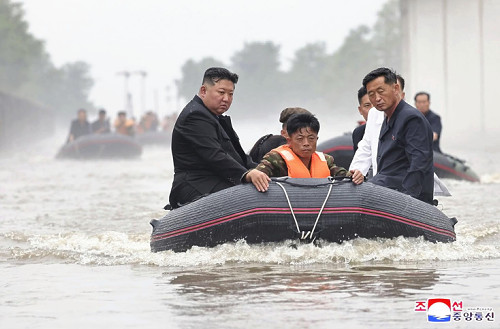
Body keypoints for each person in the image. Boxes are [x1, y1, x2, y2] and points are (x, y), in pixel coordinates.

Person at [168, 67, 259, 208]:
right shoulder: (195, 116)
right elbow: (215, 155)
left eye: (231, 94)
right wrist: (246, 175)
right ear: (203, 91)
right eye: (221, 92)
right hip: (195, 185)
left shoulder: (215, 117)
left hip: (215, 180)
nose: (226, 99)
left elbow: (238, 155)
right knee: (250, 198)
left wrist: (262, 170)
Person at [362, 67, 434, 203]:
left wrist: (408, 199)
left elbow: (419, 163)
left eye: (381, 91)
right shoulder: (388, 118)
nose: (377, 98)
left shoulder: (411, 119)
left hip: (403, 197)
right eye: (371, 94)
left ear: (395, 89)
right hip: (384, 188)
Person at [245, 113, 364, 192]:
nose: (306, 143)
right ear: (289, 140)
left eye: (311, 138)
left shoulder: (326, 160)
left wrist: (355, 175)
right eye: (300, 139)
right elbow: (259, 173)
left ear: (317, 139)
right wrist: (251, 174)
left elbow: (343, 175)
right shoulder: (275, 158)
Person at [349, 75, 406, 177]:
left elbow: (418, 161)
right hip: (380, 182)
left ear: (402, 94)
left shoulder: (411, 117)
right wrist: (355, 172)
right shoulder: (374, 114)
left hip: (404, 182)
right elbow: (365, 148)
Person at [352, 86, 372, 153]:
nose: (372, 110)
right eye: (367, 105)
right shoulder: (358, 133)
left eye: (375, 105)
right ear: (360, 110)